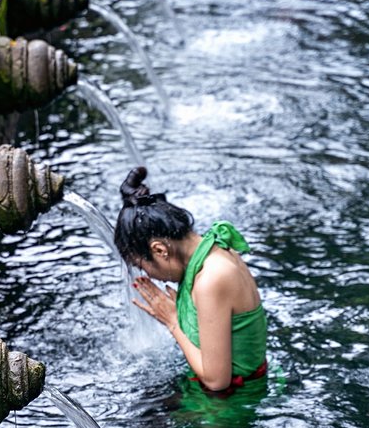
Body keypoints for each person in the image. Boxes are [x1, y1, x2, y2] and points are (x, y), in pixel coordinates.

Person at [114, 167, 267, 397]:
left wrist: (173, 320)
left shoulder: (211, 279)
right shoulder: (211, 250)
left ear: (159, 250)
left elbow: (217, 381)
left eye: (141, 266)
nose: (147, 275)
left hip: (228, 406)